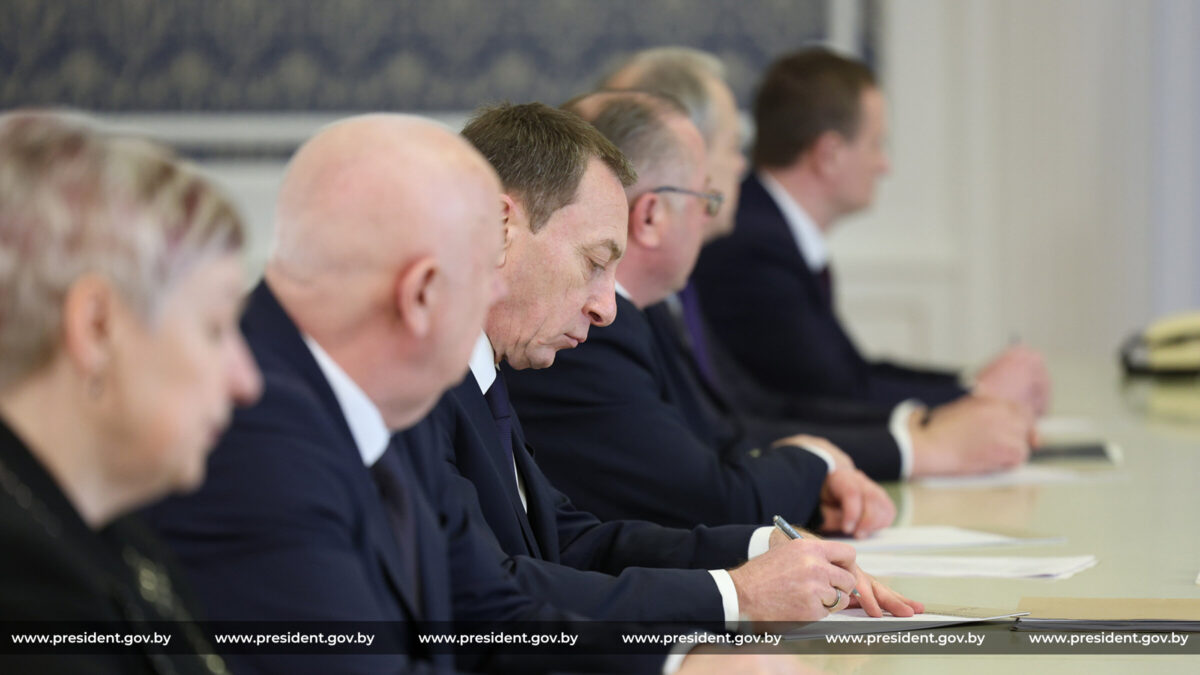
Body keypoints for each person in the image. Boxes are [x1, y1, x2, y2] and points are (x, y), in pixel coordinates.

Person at [143, 113, 798, 675]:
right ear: (422, 291)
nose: (494, 297)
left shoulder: (381, 400)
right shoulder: (254, 436)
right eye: (482, 276)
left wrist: (675, 662)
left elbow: (487, 609)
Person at [397, 100, 921, 634]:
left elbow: (567, 542)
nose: (607, 308)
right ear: (501, 227)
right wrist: (737, 595)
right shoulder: (411, 392)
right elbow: (481, 595)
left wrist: (763, 547)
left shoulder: (483, 372)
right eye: (594, 263)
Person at [682, 47, 1051, 477]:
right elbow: (832, 390)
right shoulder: (751, 246)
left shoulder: (768, 230)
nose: (885, 165)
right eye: (876, 144)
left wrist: (969, 389)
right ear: (829, 154)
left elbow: (849, 371)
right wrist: (970, 400)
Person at [0, 111, 262, 674]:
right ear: (97, 327)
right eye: (215, 328)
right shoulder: (28, 600)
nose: (247, 381)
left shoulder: (112, 533)